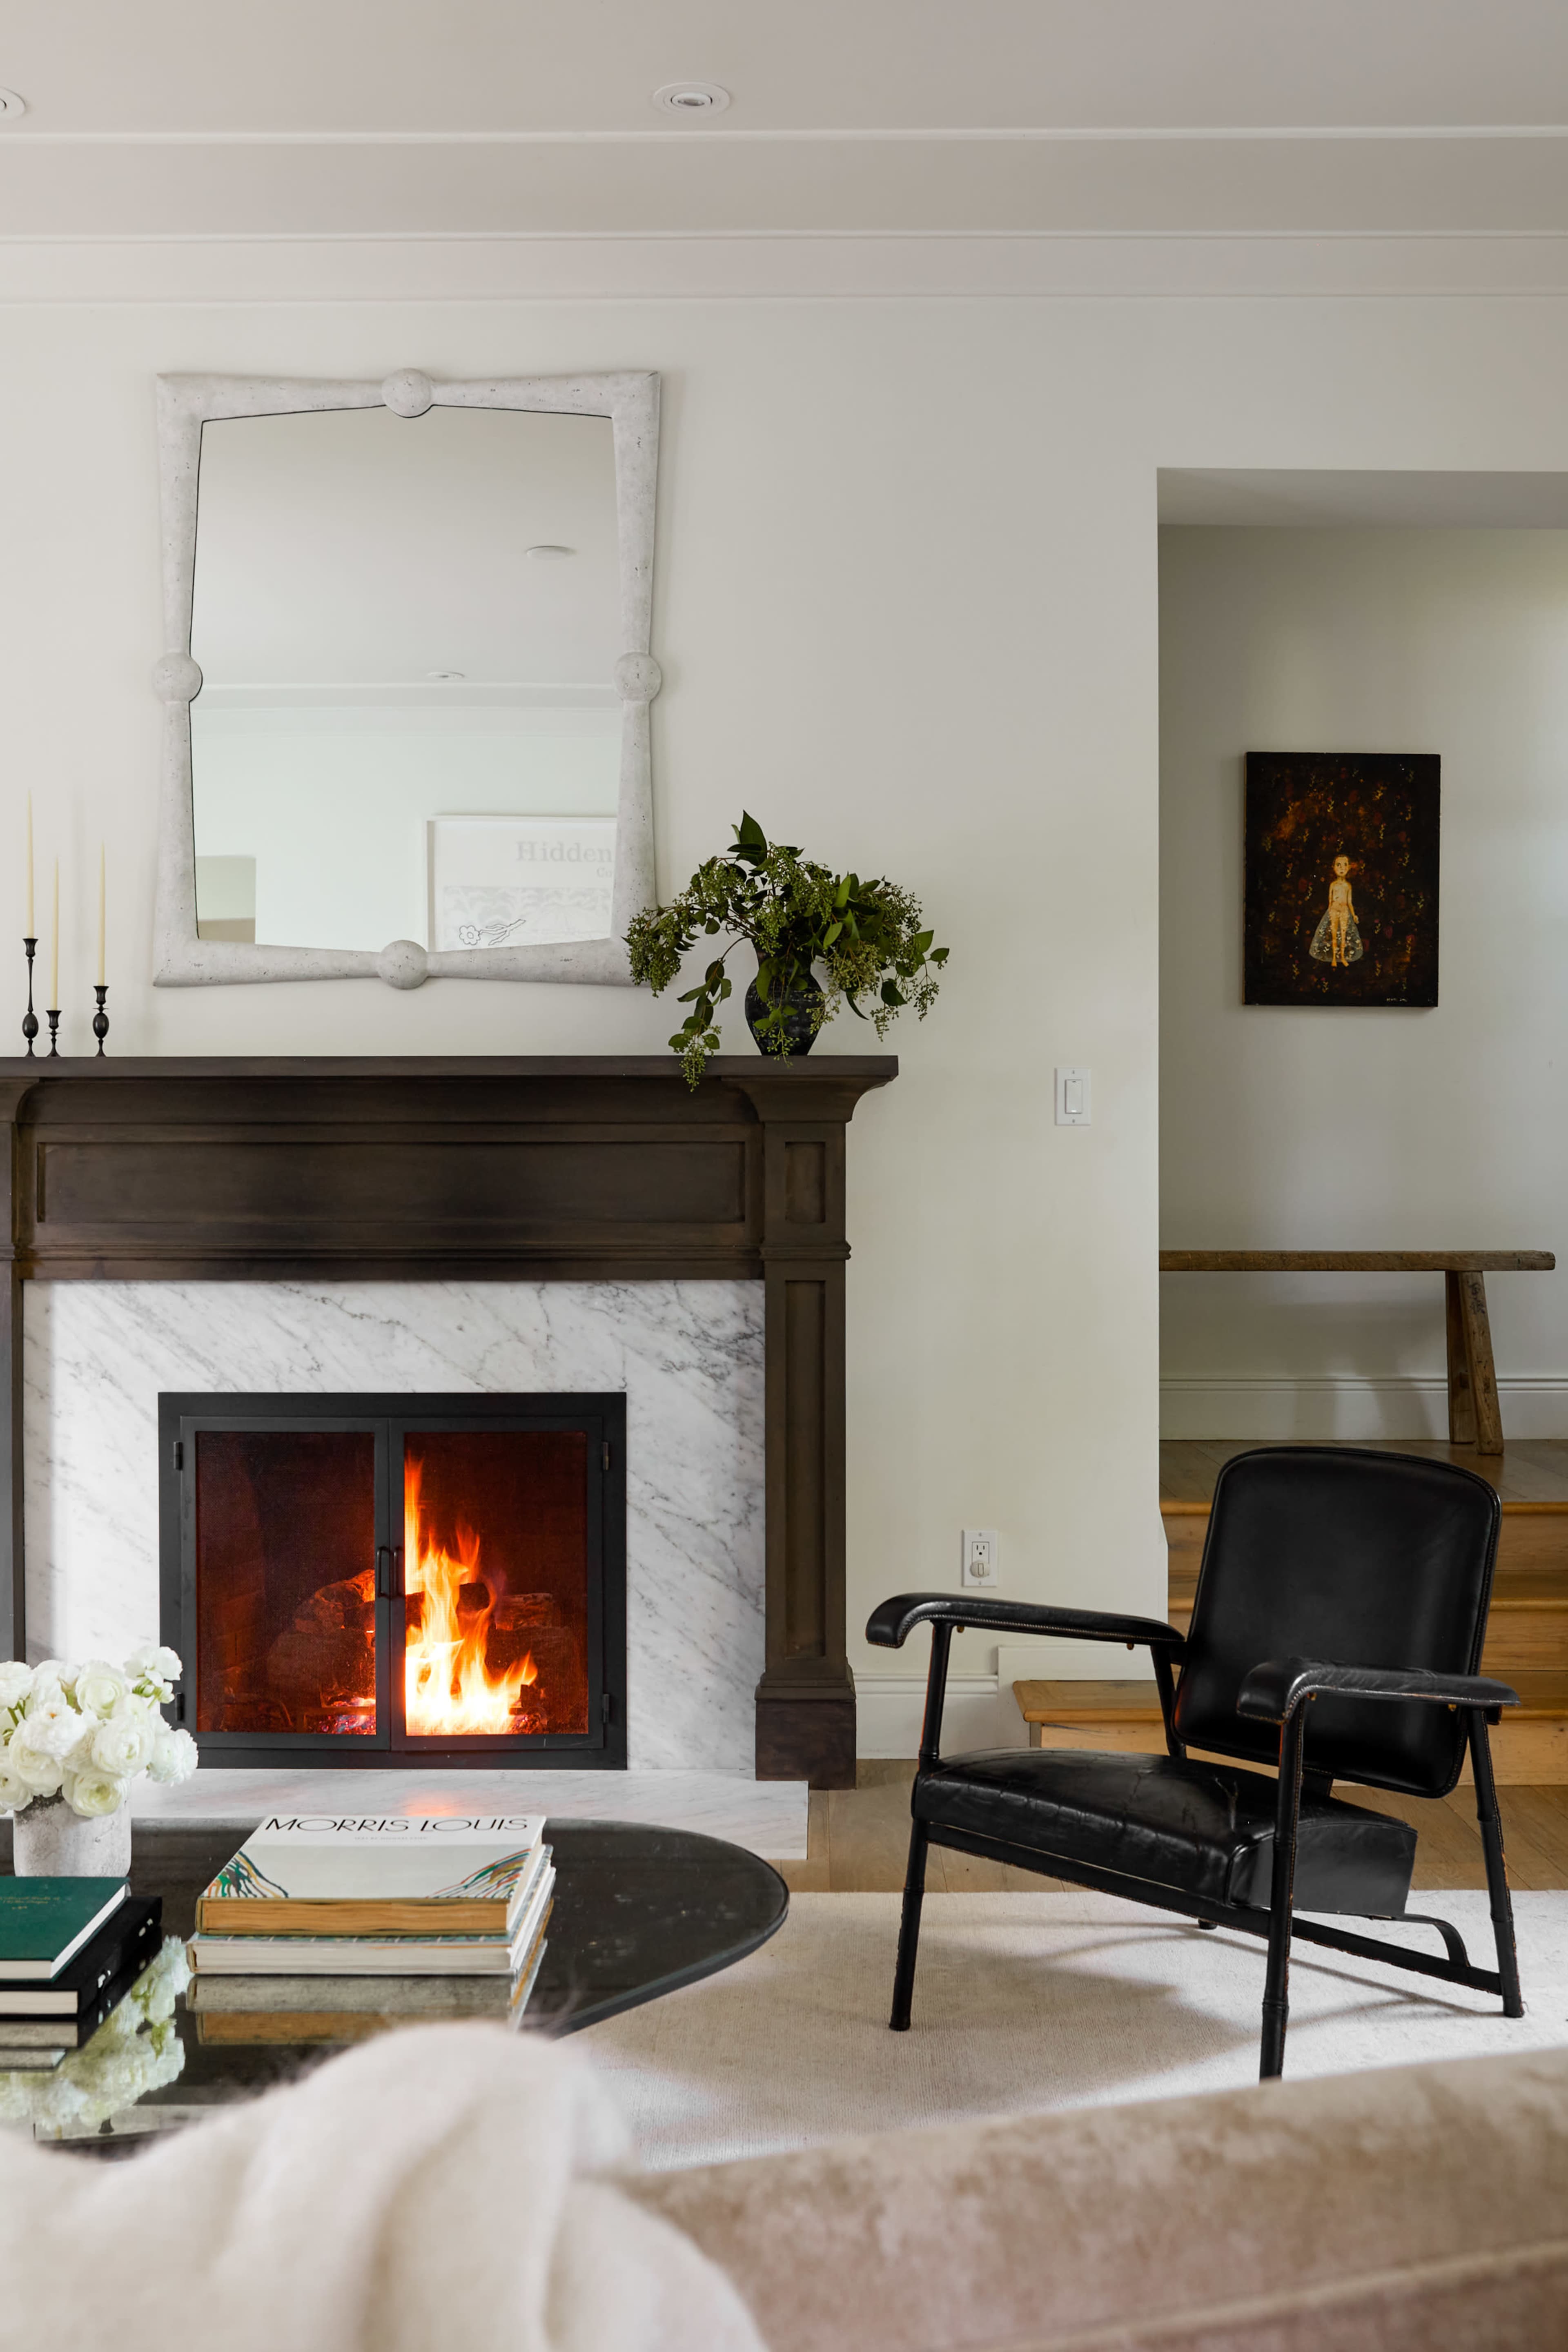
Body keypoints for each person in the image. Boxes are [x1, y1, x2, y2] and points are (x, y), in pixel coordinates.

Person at [1308, 853, 1363, 967]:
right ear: (1334, 867)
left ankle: (1342, 957)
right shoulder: (1333, 885)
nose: (1342, 868)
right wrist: (1328, 915)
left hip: (1344, 911)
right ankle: (1334, 958)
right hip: (1334, 911)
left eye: (1345, 865)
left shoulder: (1348, 886)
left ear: (1349, 868)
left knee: (1343, 935)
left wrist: (1354, 915)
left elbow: (1350, 903)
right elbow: (1330, 901)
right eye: (1339, 865)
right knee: (1334, 936)